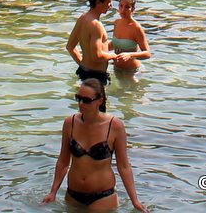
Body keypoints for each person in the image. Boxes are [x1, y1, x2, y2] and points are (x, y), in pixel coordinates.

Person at [42, 79, 148, 211]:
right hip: (73, 195)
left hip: (103, 197)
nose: (81, 103)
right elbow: (63, 161)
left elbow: (124, 166)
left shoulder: (114, 126)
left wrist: (135, 201)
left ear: (100, 101)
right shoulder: (71, 122)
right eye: (78, 98)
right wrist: (53, 192)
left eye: (86, 100)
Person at [67, 0, 117, 84]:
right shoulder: (96, 25)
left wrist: (82, 64)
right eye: (109, 2)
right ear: (98, 2)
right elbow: (97, 56)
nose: (110, 5)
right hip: (96, 76)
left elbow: (70, 46)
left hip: (84, 71)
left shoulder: (83, 18)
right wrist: (114, 56)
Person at [111, 0, 151, 72]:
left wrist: (129, 55)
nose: (123, 10)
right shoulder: (117, 22)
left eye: (127, 7)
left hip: (133, 71)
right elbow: (114, 44)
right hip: (117, 69)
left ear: (133, 9)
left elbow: (147, 54)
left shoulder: (136, 28)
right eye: (121, 6)